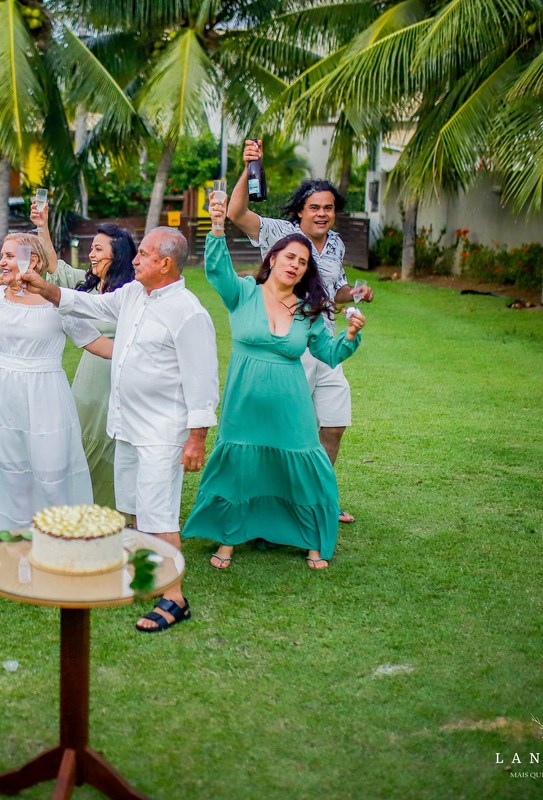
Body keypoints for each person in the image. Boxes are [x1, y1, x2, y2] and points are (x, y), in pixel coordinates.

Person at [20, 227, 218, 633]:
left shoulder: (189, 311)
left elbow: (203, 382)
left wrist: (197, 438)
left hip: (162, 432)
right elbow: (91, 305)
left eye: (144, 254)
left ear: (165, 263)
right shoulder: (132, 295)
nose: (136, 259)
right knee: (134, 507)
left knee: (159, 513)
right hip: (127, 424)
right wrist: (46, 289)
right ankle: (146, 575)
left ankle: (175, 597)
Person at [185, 194, 365, 570]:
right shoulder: (244, 293)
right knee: (239, 467)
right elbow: (217, 270)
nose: (296, 266)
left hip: (291, 406)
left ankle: (314, 541)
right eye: (289, 258)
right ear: (272, 259)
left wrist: (349, 336)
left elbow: (328, 354)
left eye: (302, 262)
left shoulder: (308, 310)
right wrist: (217, 226)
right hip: (244, 402)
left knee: (303, 466)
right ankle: (228, 540)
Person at [0, 233, 113, 548]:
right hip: (1, 395)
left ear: (35, 261)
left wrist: (138, 352)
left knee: (51, 467)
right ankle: (16, 536)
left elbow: (96, 343)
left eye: (10, 255)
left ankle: (57, 535)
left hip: (46, 395)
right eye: (1, 255)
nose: (2, 261)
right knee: (9, 467)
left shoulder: (58, 302)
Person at [227, 139, 372, 524]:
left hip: (325, 343)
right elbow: (236, 211)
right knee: (292, 432)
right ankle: (277, 501)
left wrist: (353, 292)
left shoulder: (337, 243)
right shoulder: (279, 232)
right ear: (301, 211)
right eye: (315, 208)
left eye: (329, 208)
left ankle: (319, 496)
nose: (323, 214)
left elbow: (335, 291)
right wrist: (248, 167)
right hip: (289, 344)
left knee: (334, 424)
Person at [32, 204, 137, 509]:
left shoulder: (131, 292)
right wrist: (42, 224)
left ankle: (113, 509)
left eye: (98, 249)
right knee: (79, 442)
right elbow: (55, 268)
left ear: (116, 255)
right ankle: (81, 503)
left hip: (117, 379)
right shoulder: (87, 285)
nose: (92, 254)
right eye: (91, 248)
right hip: (87, 380)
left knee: (111, 445)